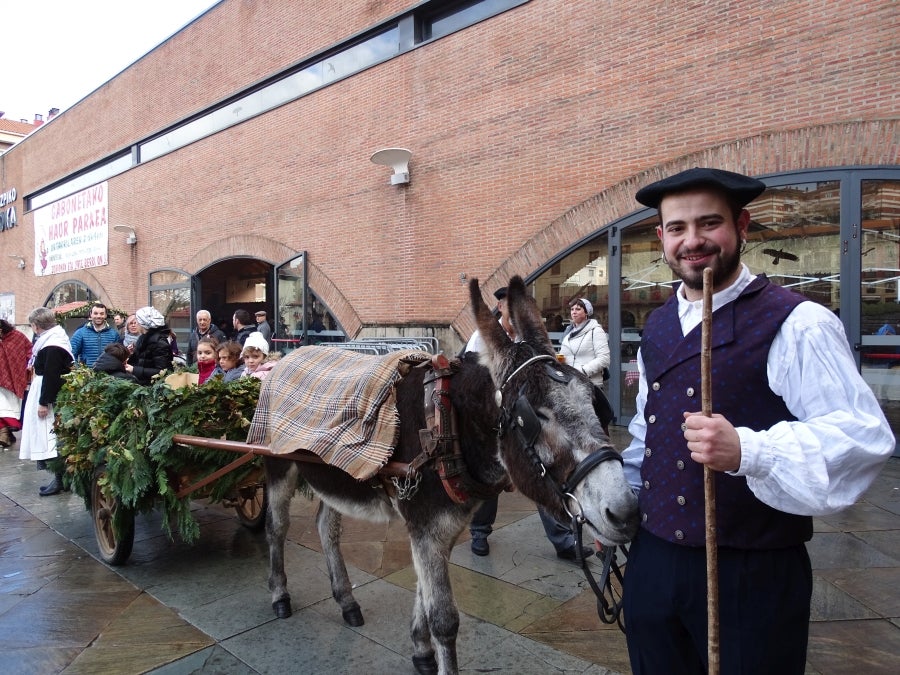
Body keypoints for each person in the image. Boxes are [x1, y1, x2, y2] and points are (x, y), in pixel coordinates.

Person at [621, 167, 894, 674]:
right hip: (653, 561)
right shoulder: (657, 325)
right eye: (677, 228)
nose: (693, 241)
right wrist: (622, 502)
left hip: (751, 572)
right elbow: (646, 429)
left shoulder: (798, 323)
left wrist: (750, 452)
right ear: (660, 236)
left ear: (742, 225)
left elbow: (863, 436)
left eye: (709, 223)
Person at [465, 287, 592, 561]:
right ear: (501, 307)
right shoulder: (481, 338)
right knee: (492, 479)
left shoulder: (526, 338)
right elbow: (473, 379)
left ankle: (564, 541)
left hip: (525, 420)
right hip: (493, 422)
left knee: (542, 472)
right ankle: (479, 533)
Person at [19, 307, 74, 496]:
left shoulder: (52, 344)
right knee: (48, 435)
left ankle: (60, 480)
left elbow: (53, 375)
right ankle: (60, 478)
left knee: (50, 436)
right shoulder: (51, 339)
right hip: (43, 389)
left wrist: (44, 402)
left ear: (35, 326)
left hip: (48, 394)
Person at [558, 297, 610, 388]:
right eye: (572, 309)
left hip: (589, 384)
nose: (574, 312)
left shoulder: (596, 330)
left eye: (578, 309)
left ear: (587, 312)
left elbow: (604, 359)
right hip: (568, 383)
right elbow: (563, 356)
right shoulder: (568, 332)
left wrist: (581, 371)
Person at [0, 319, 32, 448]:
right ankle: (5, 433)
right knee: (2, 406)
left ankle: (6, 434)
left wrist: (30, 366)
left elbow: (30, 351)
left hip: (15, 378)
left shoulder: (18, 337)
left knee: (11, 407)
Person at [125, 307, 174, 385]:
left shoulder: (159, 342)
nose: (136, 324)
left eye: (137, 321)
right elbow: (143, 361)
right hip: (144, 384)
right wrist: (131, 355)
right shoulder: (144, 338)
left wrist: (134, 370)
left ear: (143, 323)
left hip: (153, 388)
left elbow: (163, 372)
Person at [69, 302, 120, 367]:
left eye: (102, 314)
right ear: (91, 315)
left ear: (105, 315)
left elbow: (119, 356)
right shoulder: (80, 333)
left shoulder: (114, 334)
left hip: (108, 374)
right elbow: (71, 354)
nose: (98, 316)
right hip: (87, 374)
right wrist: (78, 370)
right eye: (95, 313)